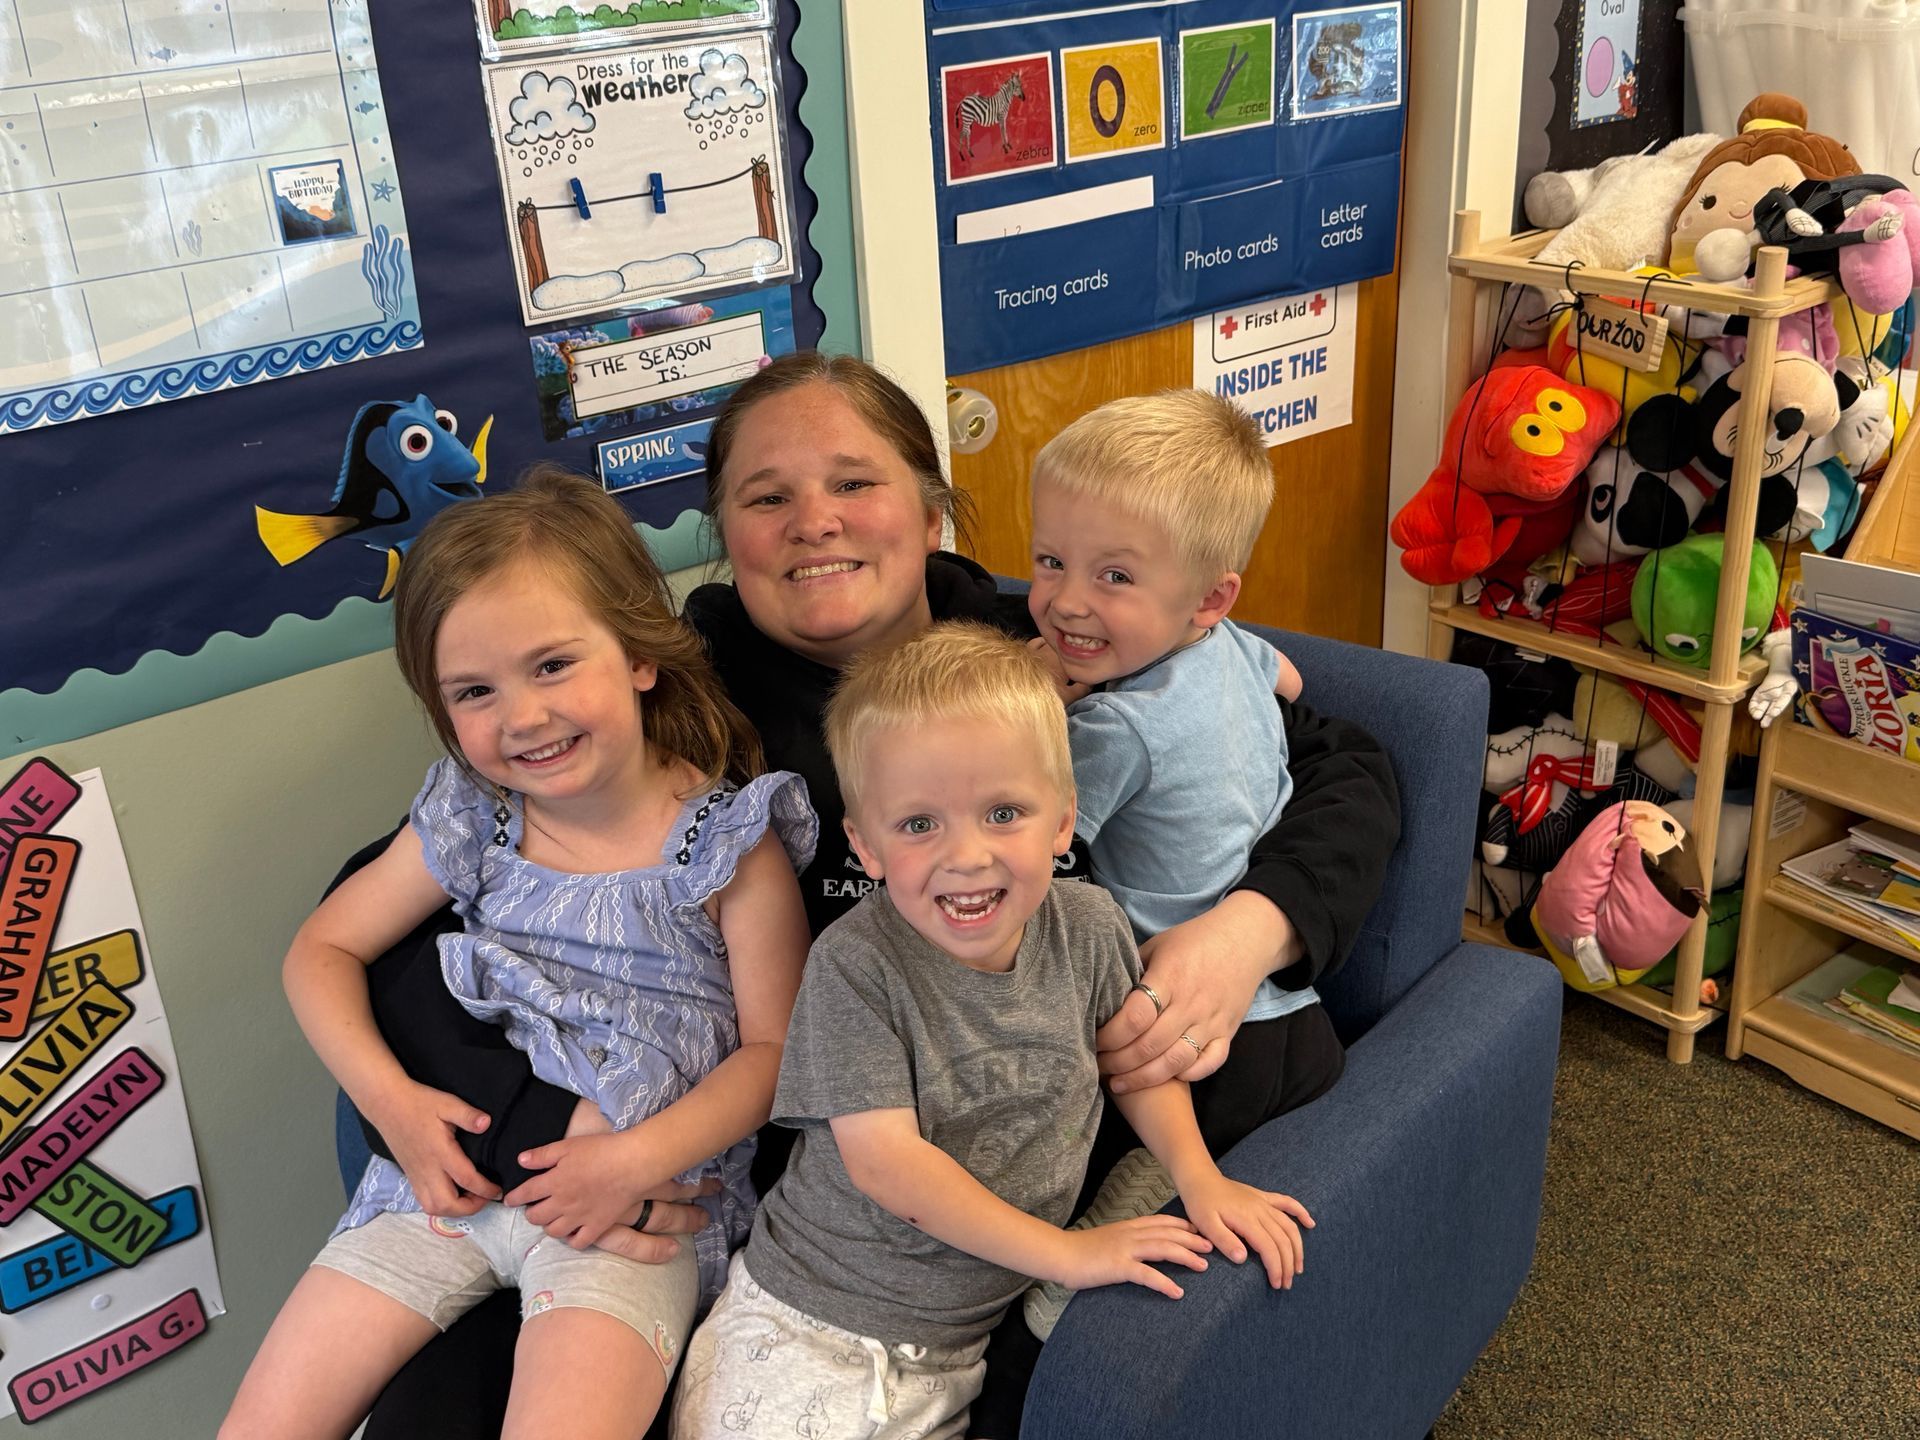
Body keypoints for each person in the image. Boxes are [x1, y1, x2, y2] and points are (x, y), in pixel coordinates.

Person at [355, 352, 1400, 1438]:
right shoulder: (660, 695)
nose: (815, 521)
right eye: (767, 497)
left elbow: (1342, 762)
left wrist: (1252, 930)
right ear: (725, 532)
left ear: (932, 509)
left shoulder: (1044, 646)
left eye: (854, 482)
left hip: (1018, 1170)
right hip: (714, 1182)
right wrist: (547, 1133)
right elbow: (416, 905)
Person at [224, 469, 815, 1440]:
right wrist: (392, 1105)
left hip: (622, 1216)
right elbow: (321, 948)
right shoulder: (473, 817)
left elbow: (774, 1053)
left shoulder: (727, 843)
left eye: (552, 666)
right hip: (436, 1191)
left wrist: (632, 1161)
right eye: (475, 691)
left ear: (638, 653)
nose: (523, 718)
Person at [670, 623, 1313, 1440]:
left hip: (956, 1347)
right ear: (865, 846)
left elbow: (1134, 1069)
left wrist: (1200, 1178)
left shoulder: (1089, 926)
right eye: (919, 825)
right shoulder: (855, 965)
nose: (967, 856)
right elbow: (890, 1167)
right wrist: (1066, 1255)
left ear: (1063, 821)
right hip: (811, 1324)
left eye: (1003, 813)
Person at [1016, 389, 1326, 1333]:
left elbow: (1027, 842)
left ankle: (1110, 1232)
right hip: (1292, 1011)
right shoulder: (1236, 648)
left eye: (1114, 576)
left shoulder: (1113, 728)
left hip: (1191, 1044)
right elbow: (1292, 680)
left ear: (1207, 597)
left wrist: (1038, 698)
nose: (1067, 601)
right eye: (1050, 561)